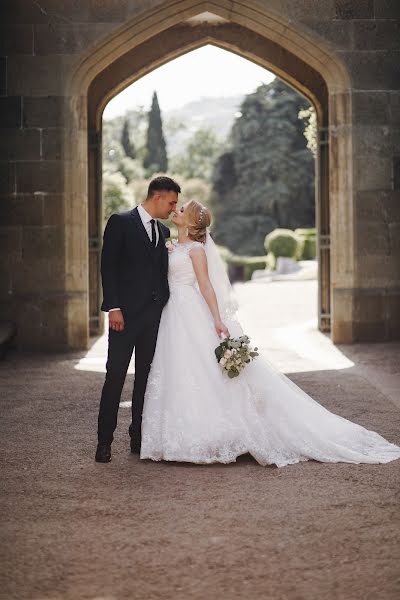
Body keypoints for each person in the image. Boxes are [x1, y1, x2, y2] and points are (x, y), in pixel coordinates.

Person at [140, 200, 400, 467]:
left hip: (190, 311)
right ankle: (176, 436)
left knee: (199, 369)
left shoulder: (196, 250)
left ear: (192, 222)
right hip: (173, 312)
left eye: (182, 210)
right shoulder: (172, 244)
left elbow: (206, 286)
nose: (176, 211)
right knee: (179, 368)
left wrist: (217, 319)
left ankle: (210, 436)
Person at [95, 176, 181, 463]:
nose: (173, 208)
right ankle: (104, 441)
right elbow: (108, 266)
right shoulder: (120, 221)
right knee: (115, 376)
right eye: (171, 202)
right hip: (125, 316)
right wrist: (114, 307)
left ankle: (138, 437)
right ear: (158, 197)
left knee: (146, 378)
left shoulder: (163, 231)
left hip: (153, 317)